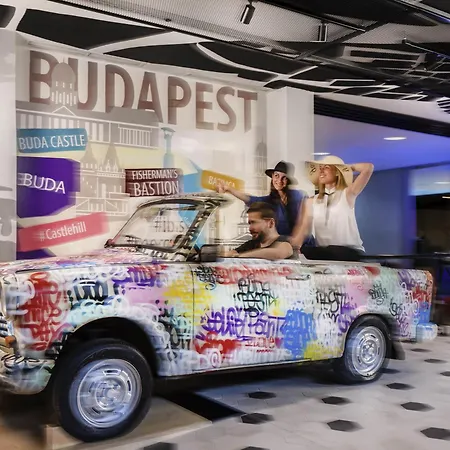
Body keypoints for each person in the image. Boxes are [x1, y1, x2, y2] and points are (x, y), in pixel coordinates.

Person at [216, 160, 314, 250]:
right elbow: (250, 199)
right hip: (284, 248)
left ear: (288, 181)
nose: (279, 180)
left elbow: (303, 223)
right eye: (276, 176)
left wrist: (297, 242)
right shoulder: (270, 201)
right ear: (272, 178)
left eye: (283, 178)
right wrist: (229, 189)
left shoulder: (299, 196)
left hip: (305, 248)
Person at [294, 155, 373, 261]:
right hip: (326, 254)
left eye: (326, 167)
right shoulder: (310, 201)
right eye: (320, 168)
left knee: (333, 251)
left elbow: (368, 168)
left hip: (351, 252)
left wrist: (346, 168)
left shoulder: (347, 194)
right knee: (308, 251)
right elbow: (302, 231)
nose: (321, 171)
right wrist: (294, 249)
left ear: (336, 172)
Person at [223, 202, 293, 260]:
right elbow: (230, 254)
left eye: (253, 222)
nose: (250, 228)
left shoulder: (284, 241)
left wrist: (242, 256)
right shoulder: (251, 244)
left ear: (270, 223)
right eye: (249, 223)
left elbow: (280, 253)